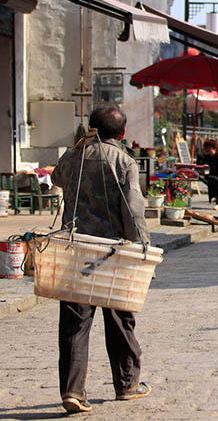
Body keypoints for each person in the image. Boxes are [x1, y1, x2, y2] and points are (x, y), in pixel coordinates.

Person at [51, 106, 152, 414]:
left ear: (89, 128)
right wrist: (143, 250)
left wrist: (79, 147)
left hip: (76, 249)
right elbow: (133, 211)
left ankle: (72, 391)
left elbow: (56, 179)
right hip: (113, 252)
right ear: (121, 134)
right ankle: (126, 384)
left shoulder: (72, 156)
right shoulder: (124, 160)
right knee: (120, 319)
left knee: (74, 324)